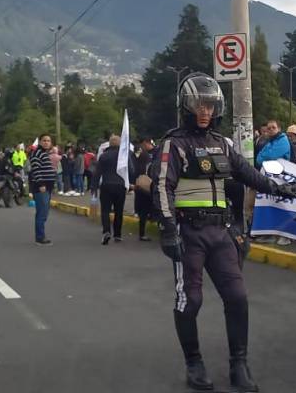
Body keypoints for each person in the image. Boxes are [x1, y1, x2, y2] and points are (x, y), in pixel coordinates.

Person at [151, 72, 281, 392]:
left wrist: (285, 189)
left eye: (209, 104)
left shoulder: (223, 144)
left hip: (221, 232)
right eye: (199, 104)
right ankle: (194, 363)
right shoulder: (173, 144)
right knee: (190, 300)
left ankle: (240, 364)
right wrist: (169, 231)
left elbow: (250, 174)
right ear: (186, 106)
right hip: (189, 232)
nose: (205, 111)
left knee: (237, 298)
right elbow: (161, 188)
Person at [94, 134, 131, 244]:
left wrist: (94, 186)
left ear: (109, 144)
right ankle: (118, 235)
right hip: (120, 186)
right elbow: (132, 170)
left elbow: (97, 172)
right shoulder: (124, 156)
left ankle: (106, 231)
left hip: (106, 185)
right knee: (119, 211)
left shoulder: (104, 156)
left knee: (105, 210)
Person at [28, 134, 57, 246]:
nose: (46, 142)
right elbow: (36, 170)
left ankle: (41, 235)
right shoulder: (37, 153)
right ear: (39, 142)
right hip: (41, 187)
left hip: (47, 187)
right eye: (44, 140)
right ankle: (40, 237)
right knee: (42, 212)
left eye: (48, 141)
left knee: (44, 213)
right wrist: (41, 183)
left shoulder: (44, 154)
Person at [132, 138, 157, 241]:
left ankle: (142, 233)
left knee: (141, 211)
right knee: (148, 208)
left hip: (139, 185)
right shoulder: (150, 160)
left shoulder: (137, 159)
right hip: (148, 187)